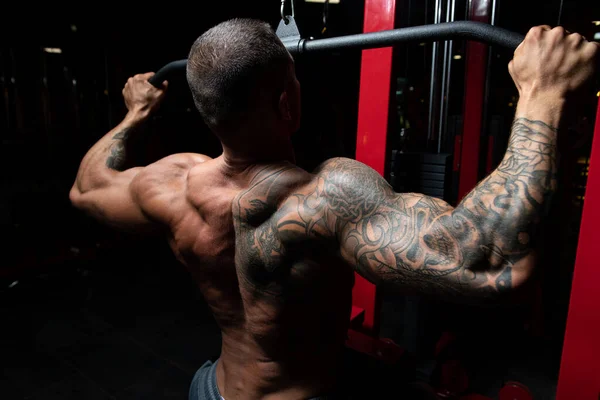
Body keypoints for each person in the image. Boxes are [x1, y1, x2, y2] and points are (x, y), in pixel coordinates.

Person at [70, 19, 599, 400]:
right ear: (286, 104)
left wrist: (134, 114)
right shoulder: (324, 197)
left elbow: (88, 188)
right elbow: (488, 260)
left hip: (214, 388)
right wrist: (542, 95)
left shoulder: (171, 183)